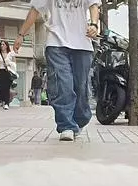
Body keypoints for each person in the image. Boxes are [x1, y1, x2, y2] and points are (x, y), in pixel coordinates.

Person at [15, 0, 101, 141]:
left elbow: (94, 5)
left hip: (82, 44)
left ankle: (79, 119)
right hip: (56, 43)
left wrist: (94, 24)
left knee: (81, 87)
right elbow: (34, 10)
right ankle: (66, 125)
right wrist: (21, 35)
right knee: (63, 84)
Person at [0, 41, 18, 110]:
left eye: (3, 44)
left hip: (7, 72)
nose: (2, 45)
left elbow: (14, 64)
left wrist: (9, 64)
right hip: (0, 71)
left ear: (6, 46)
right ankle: (3, 100)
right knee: (1, 87)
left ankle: (6, 103)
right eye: (1, 44)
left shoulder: (10, 54)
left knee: (6, 88)